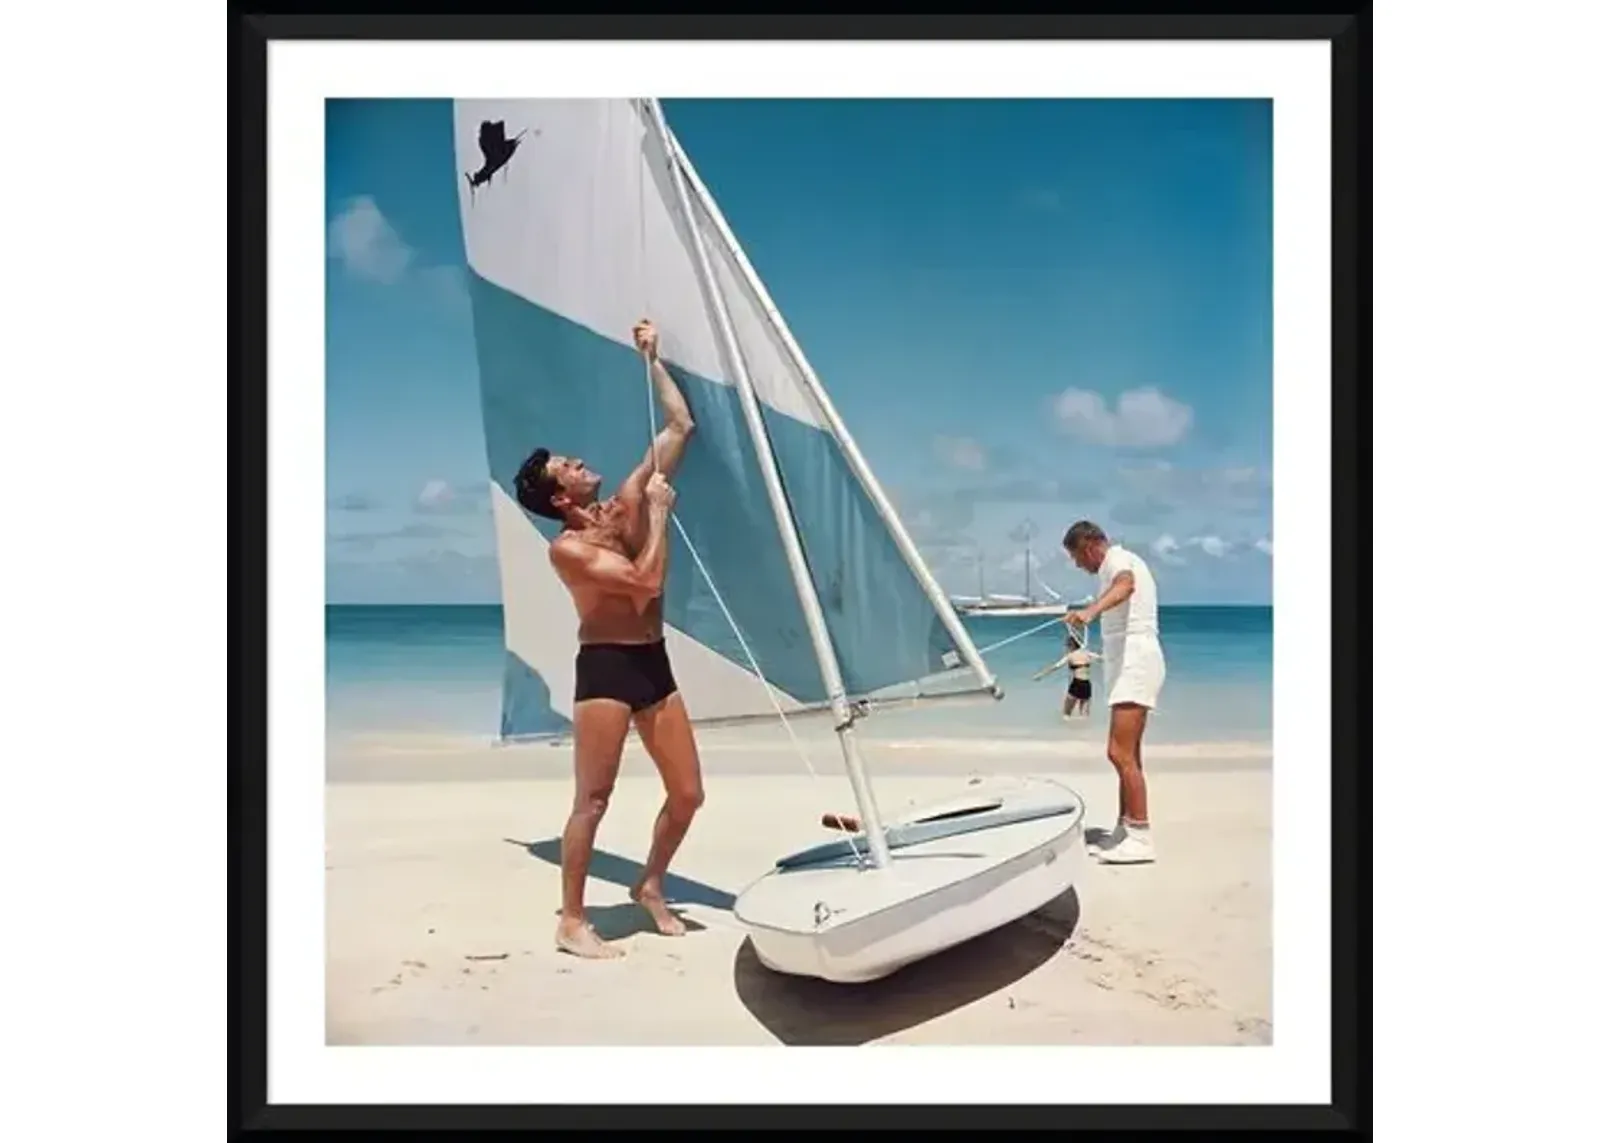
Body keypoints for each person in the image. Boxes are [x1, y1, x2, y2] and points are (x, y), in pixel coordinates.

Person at [512, 318, 704, 959]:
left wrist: (652, 357)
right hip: (605, 672)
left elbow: (680, 427)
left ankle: (648, 884)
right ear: (559, 496)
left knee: (688, 793)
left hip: (653, 663)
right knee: (593, 799)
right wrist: (662, 516)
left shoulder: (625, 503)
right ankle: (571, 921)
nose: (577, 460)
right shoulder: (569, 550)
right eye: (566, 465)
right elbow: (645, 585)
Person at [1061, 520, 1166, 864]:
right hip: (1130, 665)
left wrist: (1090, 611)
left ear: (1091, 545)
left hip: (1137, 664)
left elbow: (1126, 585)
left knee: (1118, 753)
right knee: (1129, 754)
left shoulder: (1118, 563)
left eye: (1077, 557)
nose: (1079, 565)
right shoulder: (1115, 565)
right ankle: (1126, 829)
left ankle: (1140, 835)